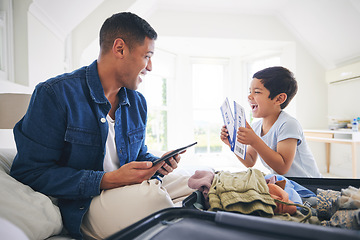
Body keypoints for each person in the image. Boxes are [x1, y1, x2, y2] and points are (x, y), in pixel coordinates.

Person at [10, 12, 193, 239]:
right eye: (147, 56)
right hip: (85, 202)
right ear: (119, 49)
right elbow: (30, 172)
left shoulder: (137, 102)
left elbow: (134, 154)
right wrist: (108, 180)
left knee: (196, 180)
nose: (151, 67)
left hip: (127, 190)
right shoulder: (55, 94)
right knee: (154, 197)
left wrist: (155, 164)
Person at [220, 66, 322, 178]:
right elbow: (249, 161)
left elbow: (283, 167)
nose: (249, 96)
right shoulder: (256, 127)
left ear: (279, 99)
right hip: (285, 183)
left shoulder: (288, 124)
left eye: (257, 92)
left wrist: (254, 140)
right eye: (250, 92)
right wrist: (232, 144)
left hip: (307, 184)